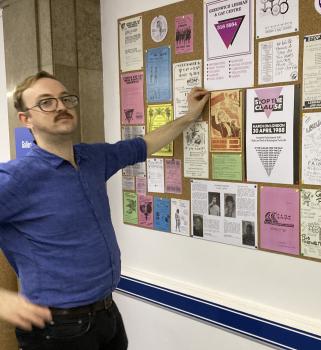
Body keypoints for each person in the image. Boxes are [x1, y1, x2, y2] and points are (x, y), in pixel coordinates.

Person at [0, 71, 209, 349]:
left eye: (65, 99)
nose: (60, 106)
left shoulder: (92, 158)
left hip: (106, 314)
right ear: (26, 119)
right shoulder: (16, 178)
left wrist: (189, 116)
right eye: (46, 102)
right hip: (57, 329)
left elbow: (144, 145)